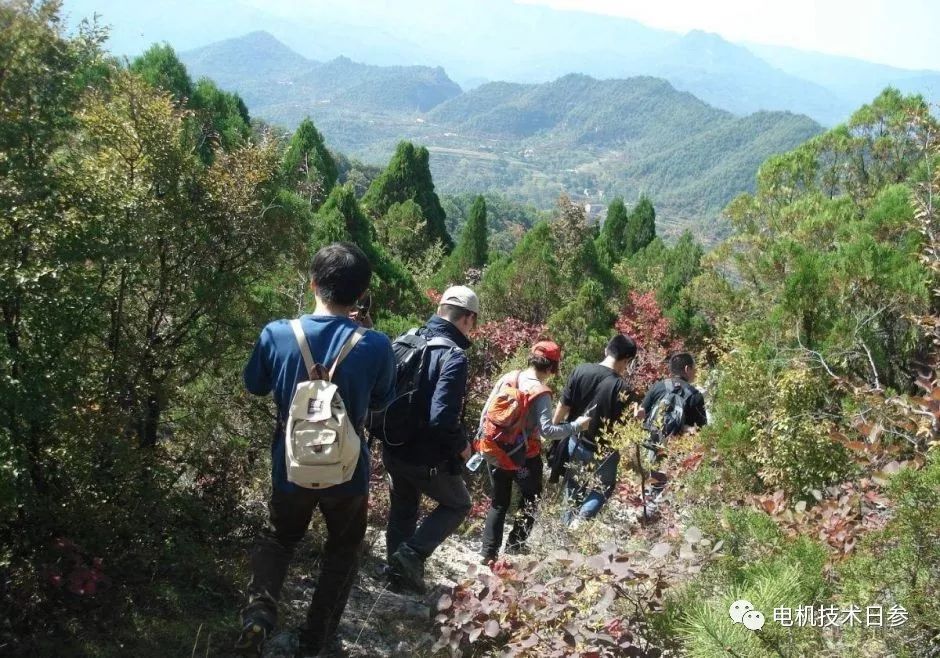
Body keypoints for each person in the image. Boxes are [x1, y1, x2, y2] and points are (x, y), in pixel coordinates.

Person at [237, 243, 396, 656]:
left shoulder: (277, 333)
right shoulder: (377, 345)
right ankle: (316, 639)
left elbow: (254, 384)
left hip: (290, 465)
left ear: (313, 283)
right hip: (347, 471)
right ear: (361, 295)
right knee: (343, 550)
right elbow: (381, 401)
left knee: (279, 539)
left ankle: (259, 614)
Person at [382, 286, 479, 593]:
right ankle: (411, 555)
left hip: (393, 445)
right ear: (467, 319)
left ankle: (398, 576)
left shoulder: (407, 338)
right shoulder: (453, 355)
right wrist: (463, 446)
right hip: (425, 457)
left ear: (440, 311)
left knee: (403, 509)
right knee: (458, 504)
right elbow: (442, 418)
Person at [477, 341, 591, 564]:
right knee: (533, 495)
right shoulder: (540, 392)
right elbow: (548, 431)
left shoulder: (510, 377)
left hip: (495, 449)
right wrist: (577, 425)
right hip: (523, 457)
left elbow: (486, 410)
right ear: (552, 367)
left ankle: (488, 553)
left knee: (499, 502)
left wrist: (480, 442)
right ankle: (516, 544)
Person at [550, 334, 638, 526]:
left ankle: (566, 530)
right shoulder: (623, 388)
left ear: (607, 349)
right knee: (604, 487)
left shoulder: (580, 370)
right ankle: (581, 521)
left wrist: (554, 431)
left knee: (573, 487)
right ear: (627, 360)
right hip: (605, 451)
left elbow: (563, 406)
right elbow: (627, 426)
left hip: (577, 441)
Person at [635, 352, 708, 515]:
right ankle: (666, 513)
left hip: (653, 441)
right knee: (673, 479)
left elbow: (642, 412)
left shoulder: (659, 386)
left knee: (655, 478)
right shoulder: (694, 395)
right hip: (678, 445)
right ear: (687, 368)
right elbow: (702, 429)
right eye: (694, 369)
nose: (694, 372)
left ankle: (647, 510)